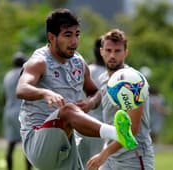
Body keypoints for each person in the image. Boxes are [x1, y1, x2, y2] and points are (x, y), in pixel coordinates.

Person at [16, 9, 137, 170]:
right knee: (67, 110)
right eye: (68, 35)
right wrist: (45, 93)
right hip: (38, 142)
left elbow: (95, 92)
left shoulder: (79, 63)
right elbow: (21, 88)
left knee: (81, 118)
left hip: (68, 142)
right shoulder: (39, 61)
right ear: (52, 37)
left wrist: (90, 104)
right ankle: (116, 134)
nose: (74, 41)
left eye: (77, 34)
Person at [87, 29, 154, 170]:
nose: (112, 55)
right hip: (111, 155)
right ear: (101, 52)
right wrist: (90, 103)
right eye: (108, 50)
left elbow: (132, 130)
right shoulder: (103, 79)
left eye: (117, 51)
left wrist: (103, 154)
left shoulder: (133, 81)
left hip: (134, 157)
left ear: (125, 53)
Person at [76, 37, 106, 168]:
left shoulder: (85, 69)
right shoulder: (110, 74)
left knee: (79, 165)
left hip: (79, 124)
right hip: (99, 127)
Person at [3, 52, 32, 170]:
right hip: (21, 111)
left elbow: (4, 96)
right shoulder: (24, 73)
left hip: (8, 111)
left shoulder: (7, 75)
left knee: (11, 144)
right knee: (27, 144)